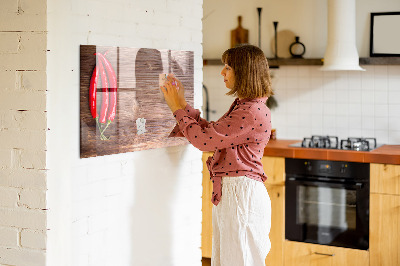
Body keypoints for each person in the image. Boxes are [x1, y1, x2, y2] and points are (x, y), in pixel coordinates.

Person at [160, 44, 273, 266]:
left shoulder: (250, 111)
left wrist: (176, 108)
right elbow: (212, 133)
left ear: (244, 71)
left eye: (228, 67)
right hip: (235, 193)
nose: (222, 72)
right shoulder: (246, 106)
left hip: (241, 195)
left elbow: (204, 141)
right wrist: (182, 104)